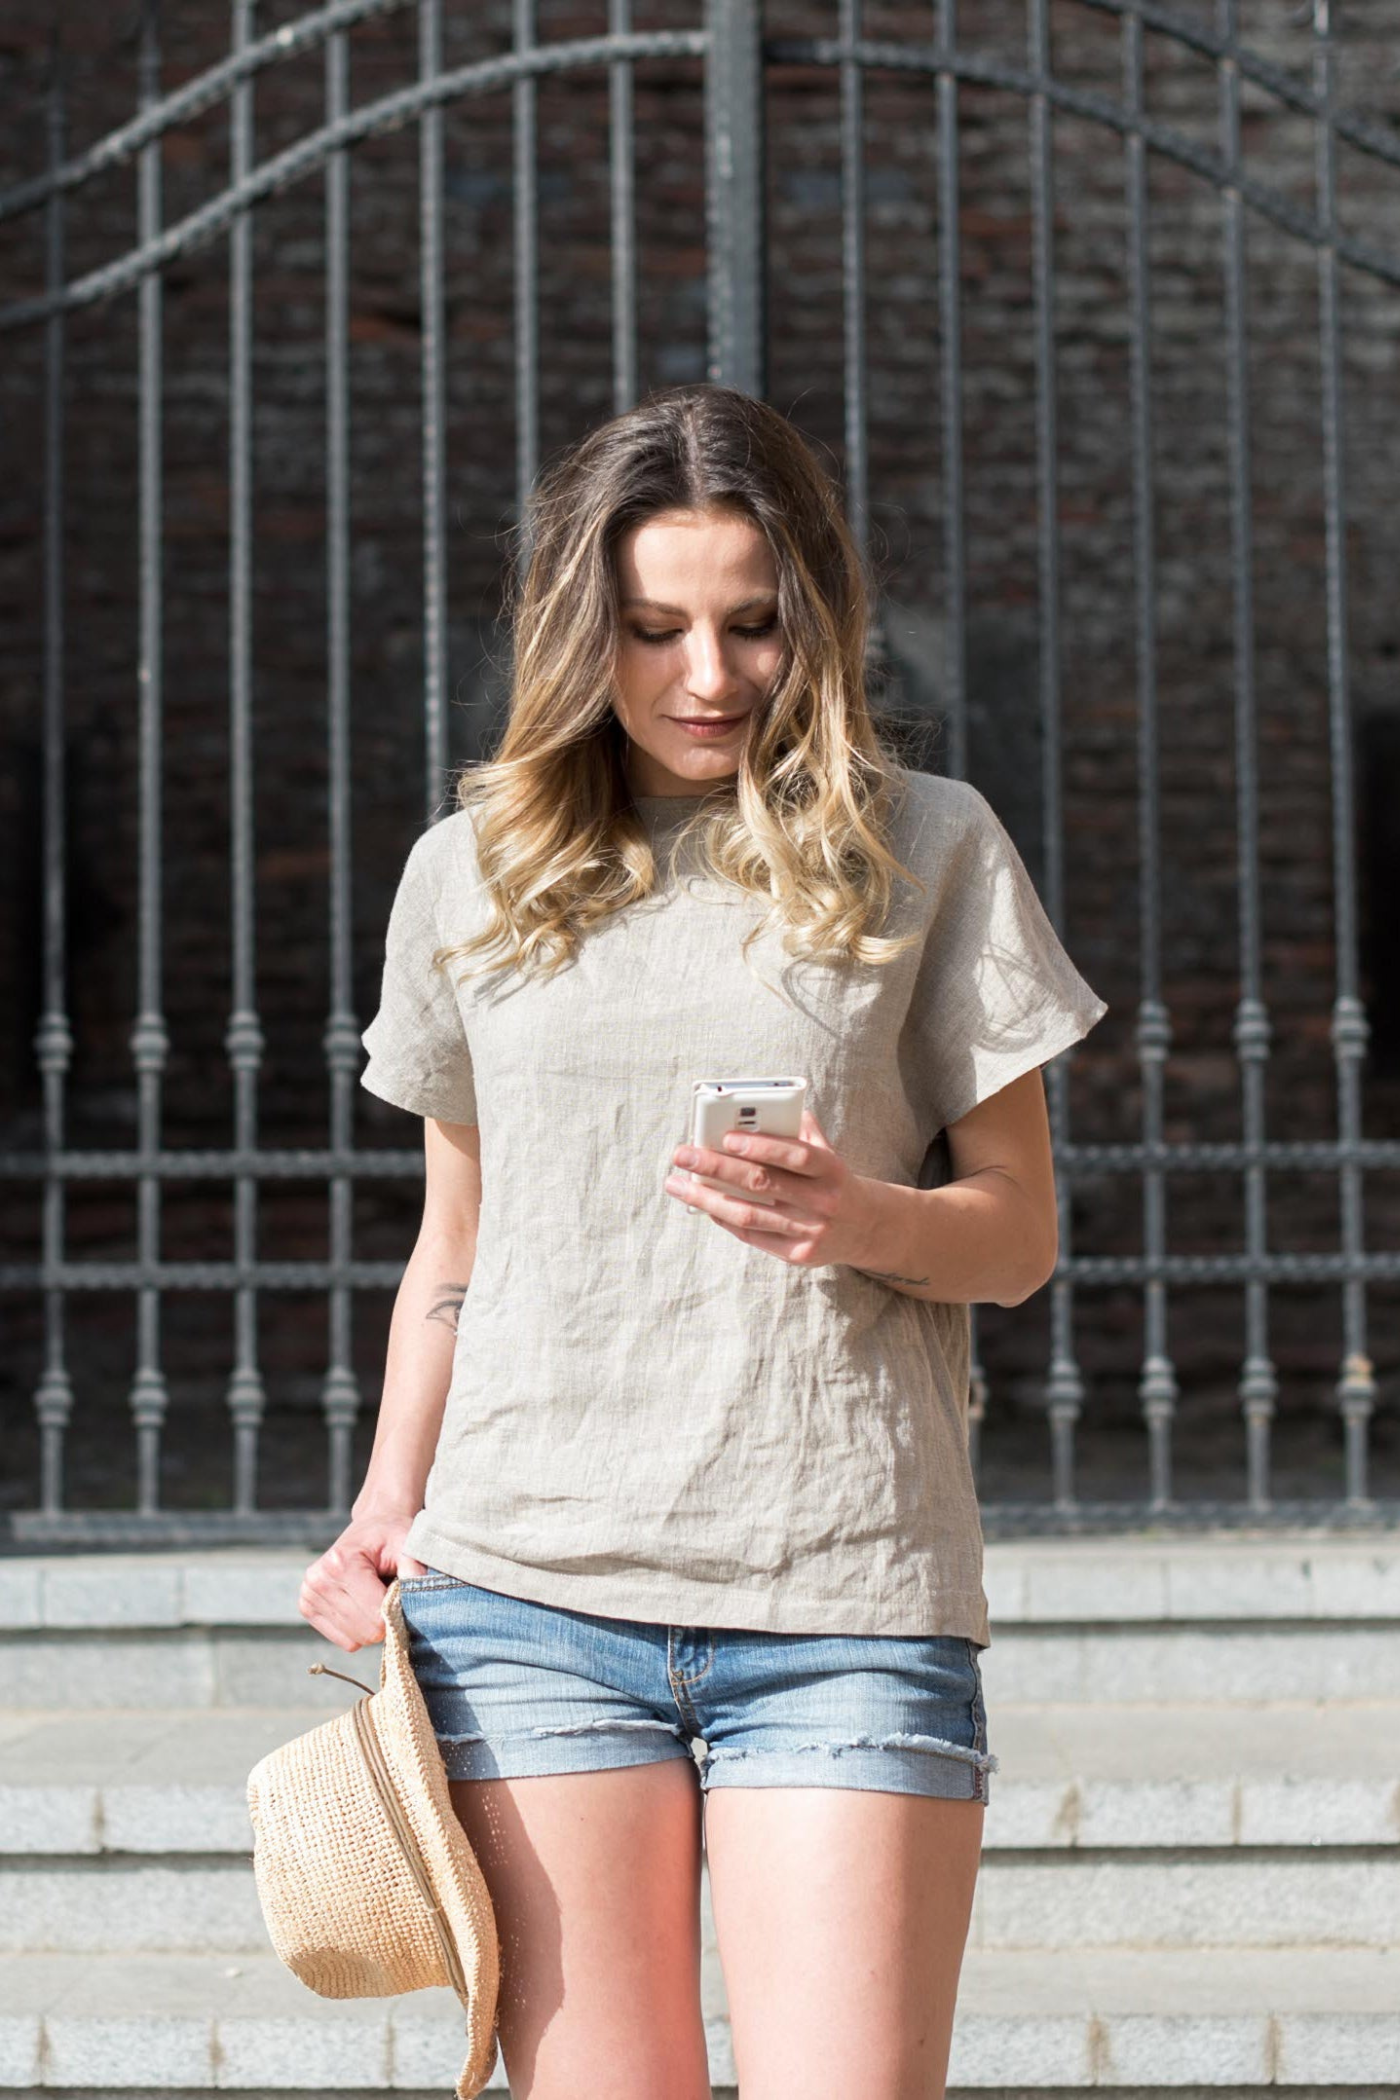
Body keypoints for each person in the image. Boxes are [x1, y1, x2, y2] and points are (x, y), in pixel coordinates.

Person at [298, 382, 1107, 2099]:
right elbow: (459, 1243)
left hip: (844, 1594)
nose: (708, 675)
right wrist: (384, 1507)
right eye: (655, 628)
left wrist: (862, 1217)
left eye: (752, 624)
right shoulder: (473, 876)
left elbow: (1019, 1236)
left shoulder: (930, 845)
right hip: (527, 1598)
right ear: (582, 630)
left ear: (813, 618)